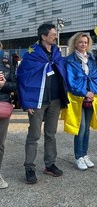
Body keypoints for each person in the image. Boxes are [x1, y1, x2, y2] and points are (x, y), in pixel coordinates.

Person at [17, 23, 68, 184]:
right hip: (36, 102)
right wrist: (26, 103)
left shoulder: (57, 52)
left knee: (51, 134)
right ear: (44, 36)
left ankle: (50, 164)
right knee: (34, 136)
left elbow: (62, 71)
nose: (56, 36)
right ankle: (29, 168)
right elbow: (23, 78)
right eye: (53, 34)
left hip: (55, 100)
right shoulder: (31, 54)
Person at [62, 32, 97, 171]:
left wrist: (93, 92)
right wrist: (84, 93)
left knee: (87, 129)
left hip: (91, 96)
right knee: (81, 127)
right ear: (75, 44)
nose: (83, 44)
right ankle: (78, 156)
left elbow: (95, 76)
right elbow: (70, 81)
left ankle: (84, 154)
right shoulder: (69, 60)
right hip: (76, 97)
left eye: (85, 42)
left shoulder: (91, 58)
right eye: (80, 42)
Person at [0, 54, 17, 189]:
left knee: (0, 143)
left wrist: (3, 84)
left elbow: (14, 85)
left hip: (2, 106)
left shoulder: (5, 62)